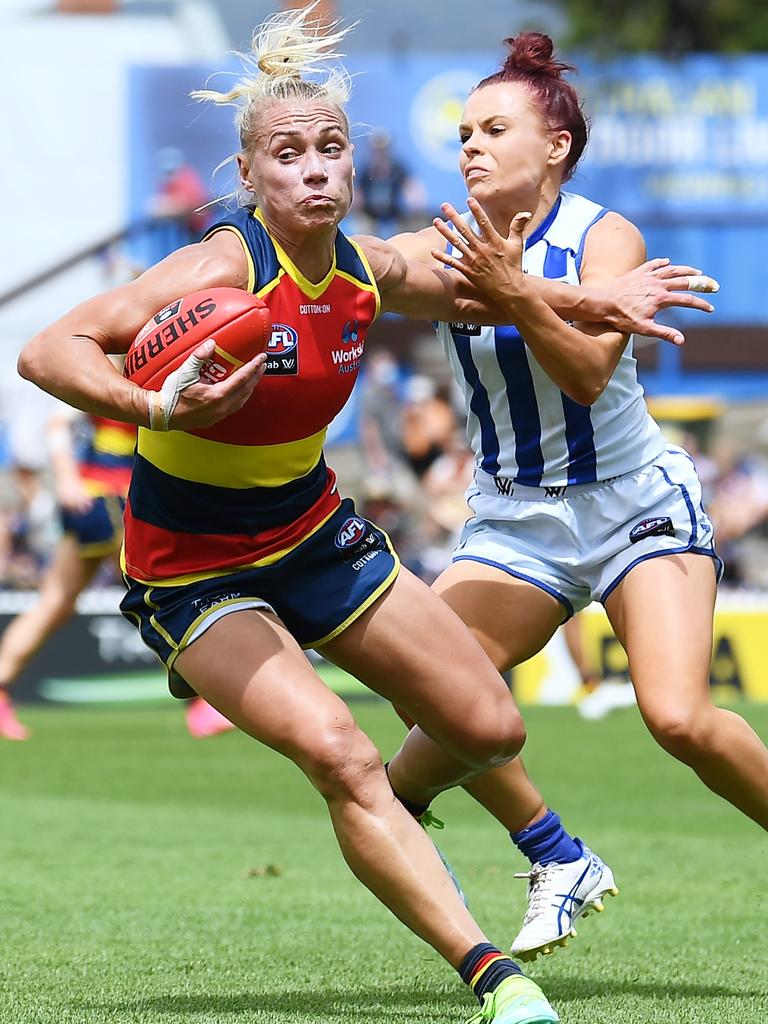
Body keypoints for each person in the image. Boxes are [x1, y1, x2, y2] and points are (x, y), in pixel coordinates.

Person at [16, 12, 723, 1018]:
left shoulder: (365, 270)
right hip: (194, 566)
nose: (313, 170)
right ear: (253, 174)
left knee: (485, 722)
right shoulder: (223, 270)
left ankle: (541, 846)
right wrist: (154, 405)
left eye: (331, 150)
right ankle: (496, 977)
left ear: (353, 165)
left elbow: (497, 296)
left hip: (312, 536)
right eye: (288, 154)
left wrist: (612, 298)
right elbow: (48, 351)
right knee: (347, 756)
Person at [385, 30, 768, 961]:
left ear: (554, 147)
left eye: (493, 129)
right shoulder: (441, 243)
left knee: (678, 718)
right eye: (464, 131)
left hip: (633, 503)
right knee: (430, 696)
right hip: (518, 520)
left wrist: (516, 293)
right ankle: (556, 853)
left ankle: (485, 829)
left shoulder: (605, 236)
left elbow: (591, 374)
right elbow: (373, 268)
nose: (469, 145)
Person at [0, 406, 233, 741]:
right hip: (110, 501)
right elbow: (58, 423)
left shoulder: (134, 371)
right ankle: (202, 704)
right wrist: (66, 479)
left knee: (56, 603)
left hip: (106, 501)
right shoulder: (111, 368)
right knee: (160, 596)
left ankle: (1, 689)